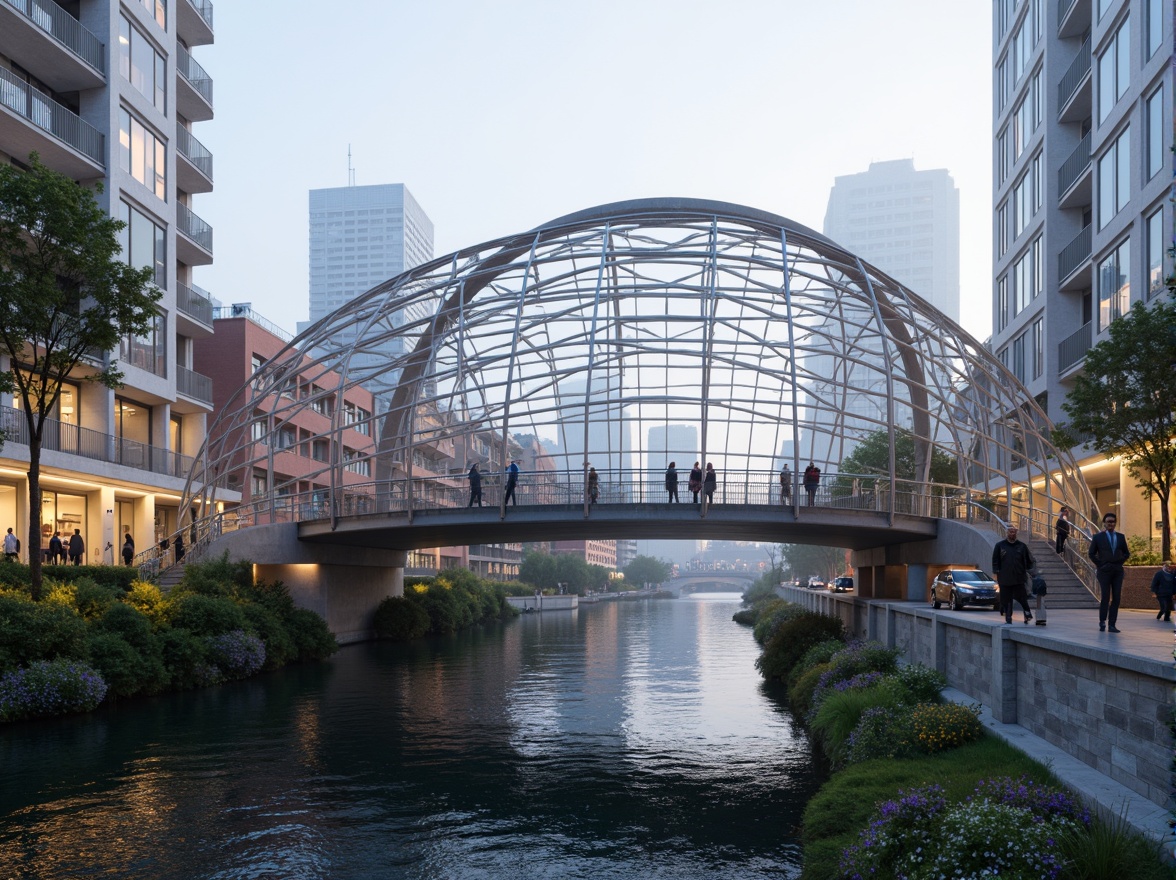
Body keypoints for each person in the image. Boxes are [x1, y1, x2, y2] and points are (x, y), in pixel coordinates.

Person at [1088, 511, 1130, 632]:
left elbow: (1127, 553)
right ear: (1104, 524)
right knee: (1105, 597)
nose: (1111, 524)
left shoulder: (1121, 537)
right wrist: (1101, 565)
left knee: (1116, 597)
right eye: (1108, 522)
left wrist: (1119, 562)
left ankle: (1112, 624)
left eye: (1113, 522)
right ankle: (1102, 622)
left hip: (1117, 571)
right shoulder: (1098, 537)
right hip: (1104, 571)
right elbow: (1091, 554)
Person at [991, 525, 1034, 625]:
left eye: (1014, 532)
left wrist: (1029, 570)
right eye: (1010, 532)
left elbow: (1028, 560)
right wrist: (996, 572)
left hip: (1019, 578)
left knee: (1022, 597)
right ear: (1007, 533)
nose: (1012, 534)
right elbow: (995, 560)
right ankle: (1008, 617)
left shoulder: (1022, 546)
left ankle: (1027, 614)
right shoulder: (1000, 546)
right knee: (1006, 599)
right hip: (1005, 578)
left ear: (1016, 533)